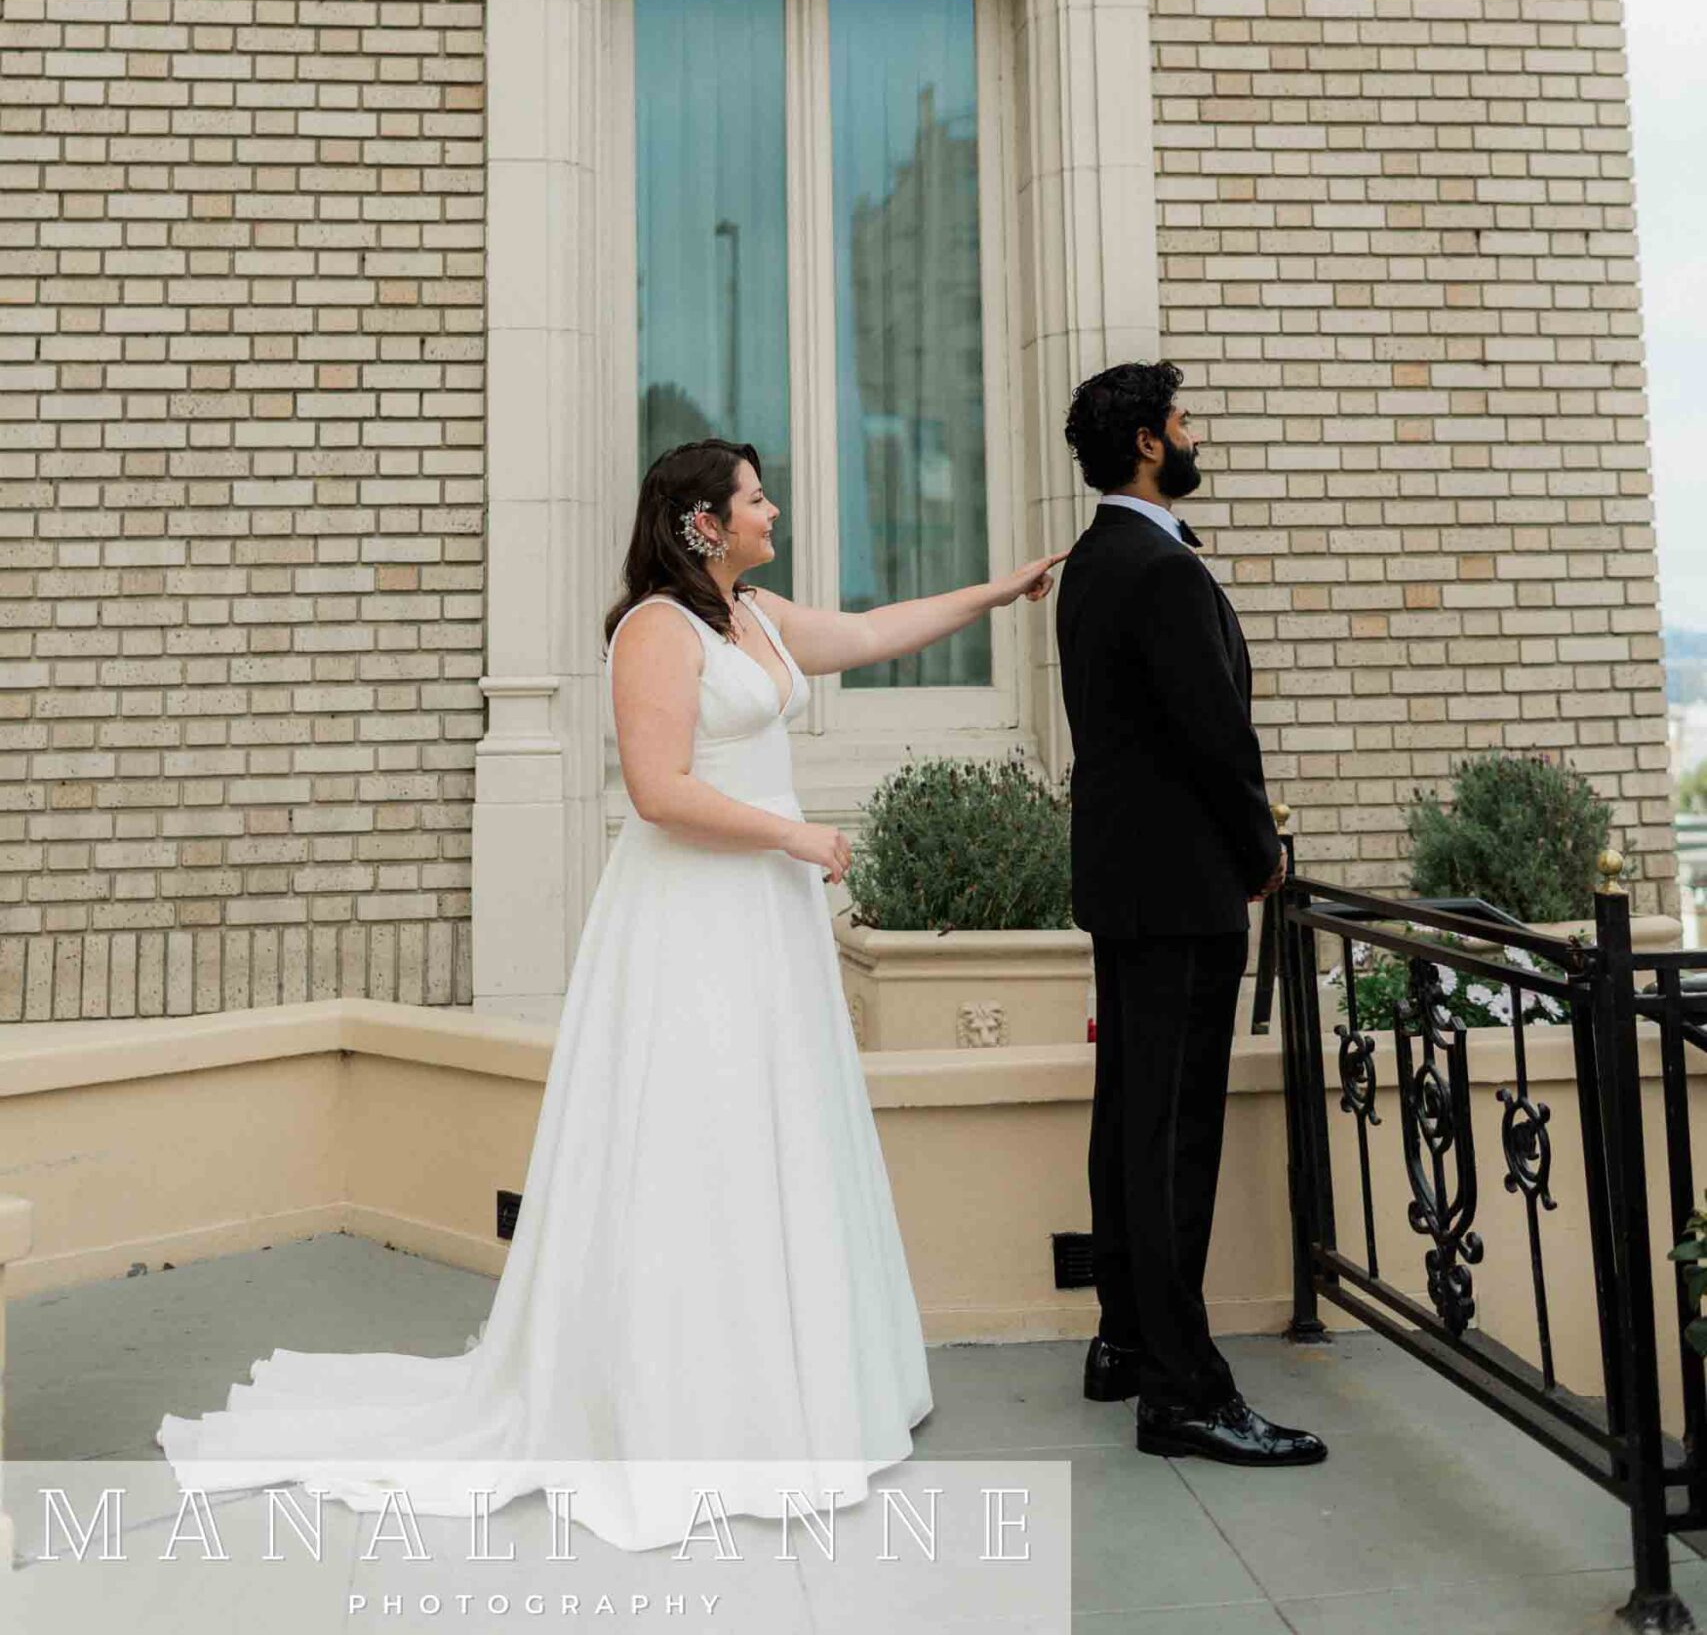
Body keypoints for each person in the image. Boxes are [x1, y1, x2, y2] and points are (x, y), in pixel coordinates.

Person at [156, 435, 1064, 1549]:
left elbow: (876, 633)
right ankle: (675, 1407)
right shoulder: (654, 629)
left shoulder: (760, 617)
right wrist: (797, 833)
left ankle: (785, 1393)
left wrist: (1004, 590)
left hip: (763, 927)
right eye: (754, 497)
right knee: (692, 1143)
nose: (772, 509)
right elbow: (658, 788)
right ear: (702, 522)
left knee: (769, 1139)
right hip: (690, 923)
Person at [1055, 362, 1327, 1468]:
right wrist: (1260, 851)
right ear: (1148, 444)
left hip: (1127, 885)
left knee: (1130, 1115)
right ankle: (1182, 1389)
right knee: (1174, 1138)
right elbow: (1215, 733)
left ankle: (1125, 1337)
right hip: (1179, 889)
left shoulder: (1091, 558)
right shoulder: (1156, 569)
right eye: (1182, 419)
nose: (1194, 431)